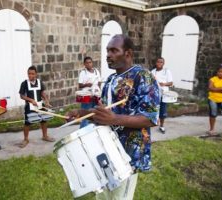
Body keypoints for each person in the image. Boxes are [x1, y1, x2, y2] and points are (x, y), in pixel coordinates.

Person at [67, 34, 160, 197]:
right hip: (105, 149)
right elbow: (104, 114)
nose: (108, 55)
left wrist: (114, 119)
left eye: (114, 50)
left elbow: (150, 118)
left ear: (128, 54)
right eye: (107, 50)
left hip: (127, 155)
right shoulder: (110, 80)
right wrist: (81, 113)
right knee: (103, 195)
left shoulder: (143, 77)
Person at [19, 66, 55, 148]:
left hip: (40, 105)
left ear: (36, 74)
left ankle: (45, 136)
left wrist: (46, 100)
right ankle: (26, 139)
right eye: (29, 74)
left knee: (44, 120)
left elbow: (42, 92)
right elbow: (22, 96)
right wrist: (31, 100)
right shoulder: (24, 83)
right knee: (27, 122)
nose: (30, 75)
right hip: (30, 106)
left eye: (32, 74)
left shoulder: (39, 82)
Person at [151, 57, 173, 134]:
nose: (159, 63)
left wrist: (163, 84)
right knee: (154, 108)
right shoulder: (153, 71)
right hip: (155, 93)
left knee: (163, 110)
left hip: (164, 94)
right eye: (158, 62)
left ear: (163, 63)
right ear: (156, 63)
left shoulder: (167, 71)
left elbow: (170, 83)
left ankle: (162, 126)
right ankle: (152, 123)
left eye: (161, 62)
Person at [78, 57, 101, 128]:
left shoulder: (96, 71)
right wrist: (87, 85)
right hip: (86, 95)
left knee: (95, 112)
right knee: (86, 113)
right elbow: (80, 85)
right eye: (87, 63)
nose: (89, 64)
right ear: (84, 64)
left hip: (95, 95)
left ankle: (92, 128)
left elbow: (99, 82)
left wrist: (98, 90)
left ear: (92, 63)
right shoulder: (83, 73)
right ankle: (82, 130)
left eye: (90, 62)